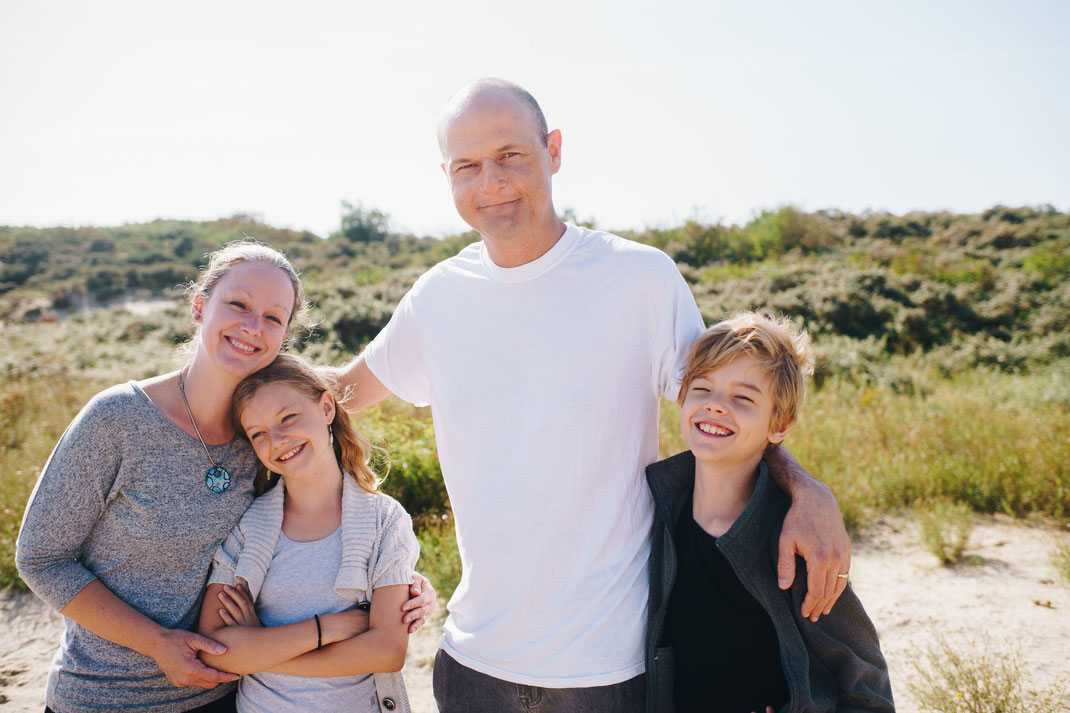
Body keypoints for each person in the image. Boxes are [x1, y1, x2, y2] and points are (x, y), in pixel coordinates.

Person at [336, 78, 853, 712]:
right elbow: (334, 397)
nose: (491, 181)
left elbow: (721, 411)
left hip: (612, 669)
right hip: (473, 662)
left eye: (511, 155)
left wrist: (808, 490)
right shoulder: (437, 298)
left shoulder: (639, 278)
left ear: (553, 150)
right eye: (467, 165)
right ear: (446, 175)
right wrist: (214, 369)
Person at [16, 242, 434, 713]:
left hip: (227, 697)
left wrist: (398, 580)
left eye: (274, 318)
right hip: (104, 696)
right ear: (199, 307)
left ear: (284, 336)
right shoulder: (118, 419)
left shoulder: (261, 438)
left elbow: (313, 533)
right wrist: (157, 643)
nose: (253, 327)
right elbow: (41, 558)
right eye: (238, 304)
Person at [645, 313, 894, 713]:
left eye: (743, 398)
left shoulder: (796, 542)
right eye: (702, 388)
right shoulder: (655, 511)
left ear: (779, 425)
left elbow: (865, 682)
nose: (716, 406)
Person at [196, 353, 418, 713]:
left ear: (326, 408)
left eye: (288, 417)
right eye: (258, 433)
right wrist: (325, 629)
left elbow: (387, 652)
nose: (278, 439)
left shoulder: (384, 520)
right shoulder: (247, 528)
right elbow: (214, 648)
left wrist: (257, 650)